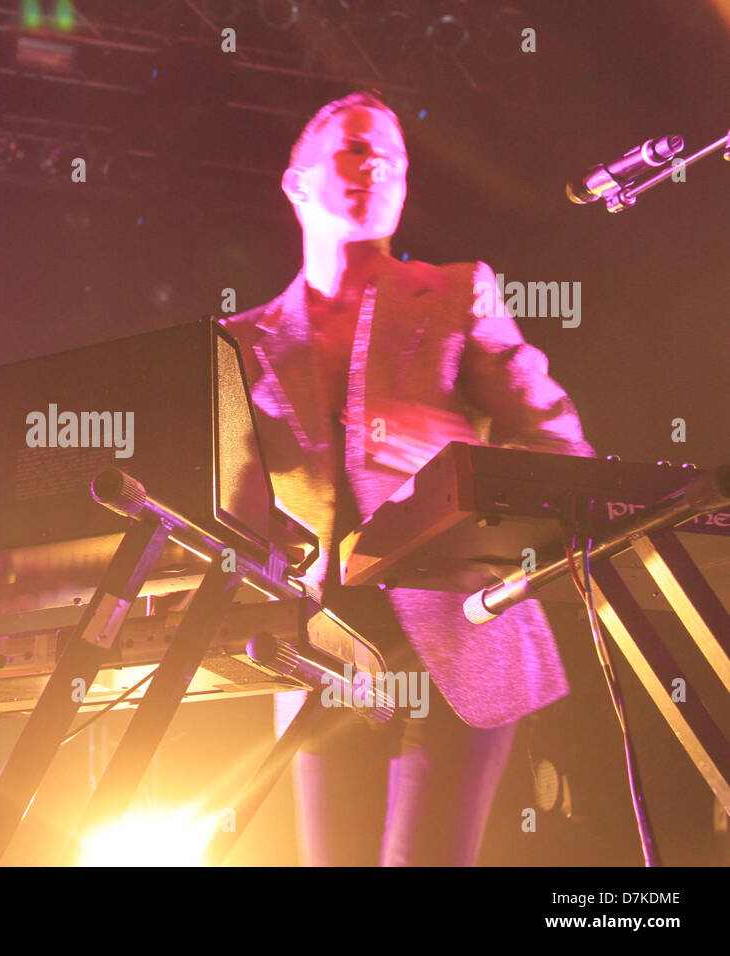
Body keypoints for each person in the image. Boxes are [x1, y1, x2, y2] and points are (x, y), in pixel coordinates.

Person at [218, 91, 593, 865]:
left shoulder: (459, 292)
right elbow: (232, 519)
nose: (378, 162)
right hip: (317, 651)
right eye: (355, 147)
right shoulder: (240, 342)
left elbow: (556, 444)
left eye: (394, 155)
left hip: (460, 629)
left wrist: (459, 486)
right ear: (295, 184)